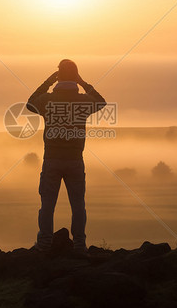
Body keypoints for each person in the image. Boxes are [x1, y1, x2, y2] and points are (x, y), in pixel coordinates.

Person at [26, 59, 106, 253]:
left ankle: (44, 244)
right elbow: (101, 102)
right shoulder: (84, 101)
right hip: (75, 160)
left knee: (47, 205)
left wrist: (48, 81)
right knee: (78, 205)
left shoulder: (46, 101)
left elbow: (30, 103)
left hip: (52, 159)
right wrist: (83, 82)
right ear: (76, 77)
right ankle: (79, 245)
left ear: (58, 76)